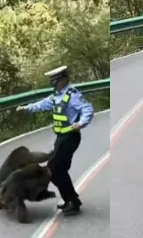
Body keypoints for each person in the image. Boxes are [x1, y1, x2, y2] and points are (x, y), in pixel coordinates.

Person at [16, 66, 94, 216]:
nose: (54, 85)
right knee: (59, 170)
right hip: (61, 138)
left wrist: (81, 123)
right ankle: (71, 200)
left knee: (53, 169)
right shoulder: (56, 96)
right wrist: (27, 108)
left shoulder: (73, 95)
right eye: (52, 82)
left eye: (56, 81)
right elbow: (42, 104)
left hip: (70, 137)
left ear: (64, 79)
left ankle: (72, 201)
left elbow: (87, 109)